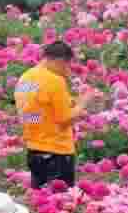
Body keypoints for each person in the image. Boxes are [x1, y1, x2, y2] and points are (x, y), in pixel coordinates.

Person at [14, 40, 100, 190]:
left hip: (34, 150)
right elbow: (64, 119)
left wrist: (73, 103)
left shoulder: (25, 78)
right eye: (68, 64)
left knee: (41, 198)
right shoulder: (55, 81)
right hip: (57, 152)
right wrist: (83, 103)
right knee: (60, 200)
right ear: (61, 61)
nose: (68, 69)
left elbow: (35, 110)